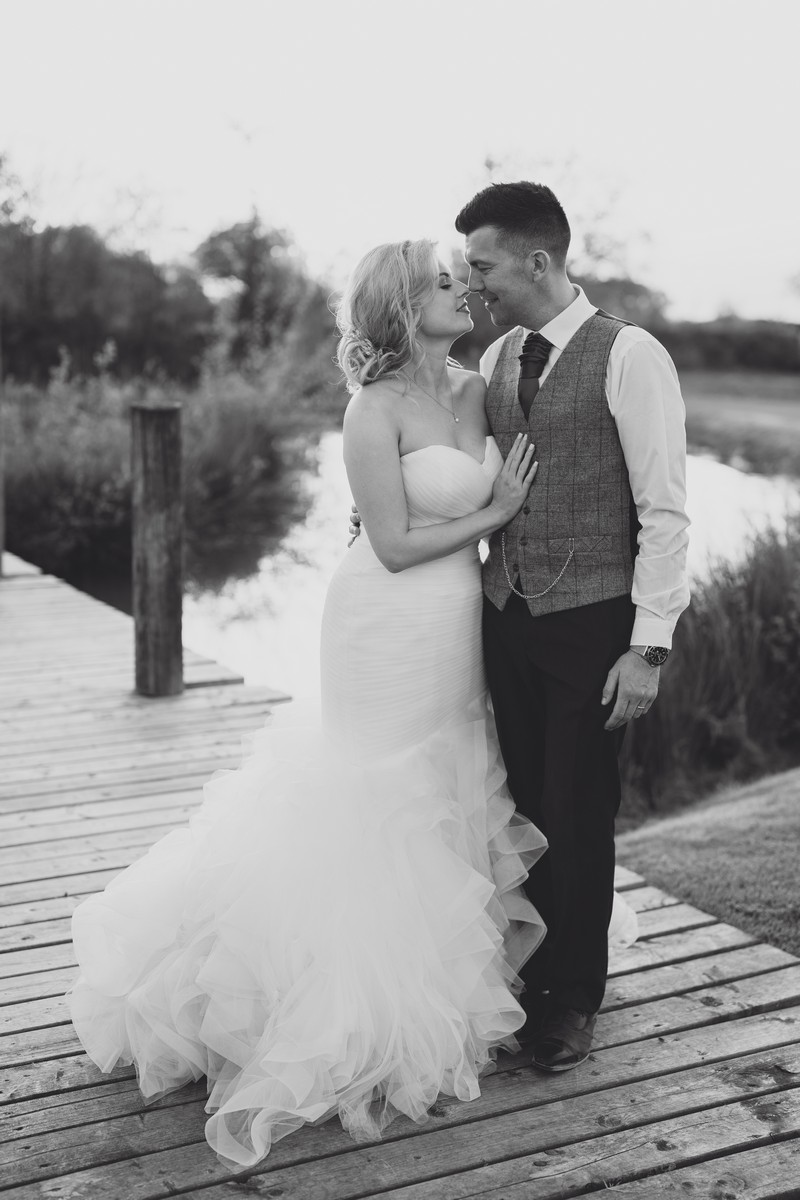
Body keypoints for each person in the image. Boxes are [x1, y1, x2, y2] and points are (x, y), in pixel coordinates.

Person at [66, 239, 552, 1171]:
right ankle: (333, 1006)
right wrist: (497, 514)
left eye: (462, 278)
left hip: (458, 622)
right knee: (377, 796)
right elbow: (393, 545)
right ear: (403, 306)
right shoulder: (373, 408)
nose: (463, 288)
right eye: (444, 282)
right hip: (385, 620)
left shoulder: (477, 384)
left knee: (446, 782)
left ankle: (436, 983)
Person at [454, 181, 690, 1072]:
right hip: (504, 615)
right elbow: (480, 477)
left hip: (593, 622)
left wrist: (649, 645)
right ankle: (534, 972)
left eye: (483, 266)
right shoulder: (497, 354)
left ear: (537, 260)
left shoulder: (631, 354)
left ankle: (574, 998)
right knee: (524, 804)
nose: (473, 284)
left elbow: (664, 512)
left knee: (580, 809)